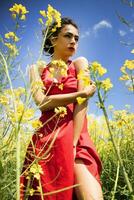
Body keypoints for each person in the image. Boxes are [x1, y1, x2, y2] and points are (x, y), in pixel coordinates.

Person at [20, 17, 103, 200]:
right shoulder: (37, 69)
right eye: (68, 36)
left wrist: (73, 144)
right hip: (46, 141)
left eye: (76, 38)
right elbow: (41, 101)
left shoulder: (80, 63)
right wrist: (79, 94)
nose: (73, 41)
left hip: (77, 138)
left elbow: (82, 105)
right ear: (53, 39)